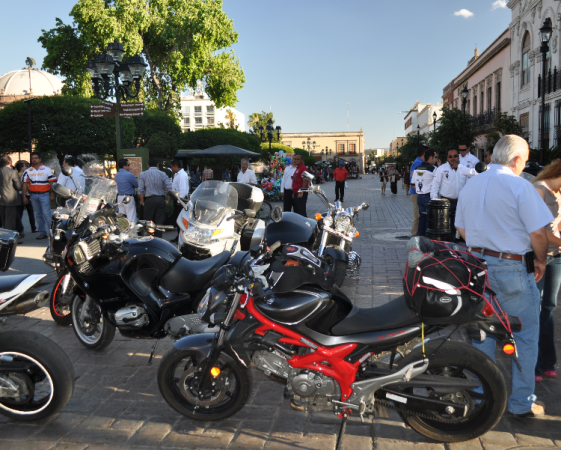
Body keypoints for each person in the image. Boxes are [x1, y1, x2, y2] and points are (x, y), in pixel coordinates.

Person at [455, 134, 552, 418]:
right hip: (511, 268)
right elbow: (538, 234)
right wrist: (541, 262)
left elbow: (461, 229)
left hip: (476, 266)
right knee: (524, 336)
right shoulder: (520, 186)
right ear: (517, 159)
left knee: (481, 333)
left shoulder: (472, 184)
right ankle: (521, 402)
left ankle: (482, 395)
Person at [531, 161, 561, 382]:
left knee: (548, 307)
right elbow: (537, 228)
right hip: (538, 256)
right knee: (534, 308)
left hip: (557, 257)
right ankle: (531, 363)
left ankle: (547, 361)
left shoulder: (559, 192)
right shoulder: (539, 188)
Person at [430, 147, 476, 241]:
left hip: (460, 202)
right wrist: (434, 200)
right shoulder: (442, 169)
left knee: (458, 225)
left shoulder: (464, 168)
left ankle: (455, 246)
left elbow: (474, 175)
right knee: (445, 227)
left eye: (455, 156)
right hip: (446, 202)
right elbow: (435, 185)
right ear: (447, 158)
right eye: (450, 156)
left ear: (458, 157)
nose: (453, 158)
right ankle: (446, 246)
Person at [22, 152, 57, 240]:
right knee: (38, 215)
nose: (34, 159)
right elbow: (25, 185)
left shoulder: (47, 170)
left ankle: (51, 233)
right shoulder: (28, 171)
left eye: (36, 158)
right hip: (33, 196)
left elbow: (52, 183)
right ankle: (42, 233)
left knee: (47, 214)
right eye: (33, 158)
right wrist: (24, 197)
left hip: (44, 195)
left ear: (40, 159)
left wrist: (52, 195)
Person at [138, 157, 172, 225]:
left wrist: (142, 202)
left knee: (148, 222)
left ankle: (149, 235)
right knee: (159, 221)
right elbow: (169, 188)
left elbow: (140, 190)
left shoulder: (143, 174)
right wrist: (167, 200)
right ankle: (158, 235)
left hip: (149, 199)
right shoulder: (163, 174)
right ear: (157, 165)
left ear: (148, 165)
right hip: (160, 199)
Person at [411, 149, 437, 237]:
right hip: (428, 197)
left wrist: (420, 189)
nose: (436, 160)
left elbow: (413, 183)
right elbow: (439, 182)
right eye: (435, 157)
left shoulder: (417, 169)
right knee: (429, 219)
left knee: (421, 219)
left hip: (420, 197)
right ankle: (427, 241)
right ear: (430, 158)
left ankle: (420, 239)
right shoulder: (433, 169)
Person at [0, 155, 22, 233]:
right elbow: (18, 186)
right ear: (10, 162)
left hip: (1, 198)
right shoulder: (12, 172)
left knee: (3, 219)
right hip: (11, 199)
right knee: (10, 220)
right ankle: (9, 238)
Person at [170, 160, 190, 243]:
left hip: (180, 200)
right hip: (177, 199)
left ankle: (181, 237)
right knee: (177, 218)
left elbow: (183, 189)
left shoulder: (182, 175)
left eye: (171, 167)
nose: (171, 169)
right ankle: (178, 235)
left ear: (175, 166)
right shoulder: (177, 174)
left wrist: (179, 200)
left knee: (180, 219)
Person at [15, 161, 37, 234]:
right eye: (25, 167)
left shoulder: (15, 174)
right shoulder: (24, 175)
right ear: (22, 168)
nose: (27, 168)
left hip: (19, 196)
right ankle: (33, 227)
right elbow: (27, 185)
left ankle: (20, 229)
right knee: (30, 212)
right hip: (26, 195)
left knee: (20, 213)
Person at [114, 158, 139, 224]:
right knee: (131, 217)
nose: (129, 166)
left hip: (119, 198)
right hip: (128, 197)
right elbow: (137, 184)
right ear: (124, 166)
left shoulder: (116, 175)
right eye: (128, 165)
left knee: (122, 218)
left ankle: (123, 233)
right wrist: (131, 185)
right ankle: (133, 234)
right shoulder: (129, 175)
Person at [410, 147, 427, 236]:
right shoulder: (419, 164)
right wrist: (420, 190)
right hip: (416, 193)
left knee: (418, 215)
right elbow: (414, 180)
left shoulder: (416, 162)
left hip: (415, 193)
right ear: (424, 154)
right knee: (418, 216)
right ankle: (414, 236)